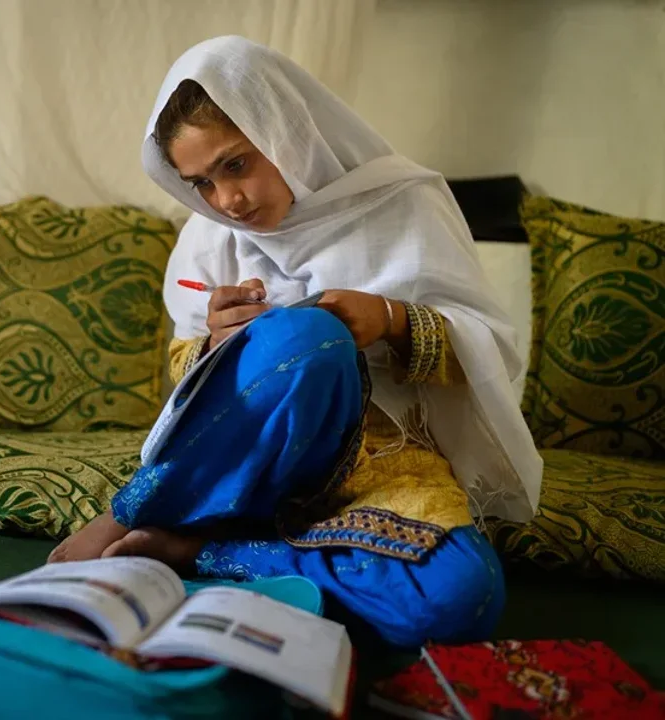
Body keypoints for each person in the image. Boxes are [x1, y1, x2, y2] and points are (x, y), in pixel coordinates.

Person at [49, 36, 542, 649]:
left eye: (235, 164)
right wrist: (214, 345)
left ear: (285, 131)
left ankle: (203, 551)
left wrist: (390, 317)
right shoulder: (212, 238)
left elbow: (490, 352)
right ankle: (133, 512)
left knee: (462, 596)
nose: (227, 200)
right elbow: (184, 380)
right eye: (200, 183)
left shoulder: (403, 203)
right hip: (253, 468)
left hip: (383, 466)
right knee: (304, 336)